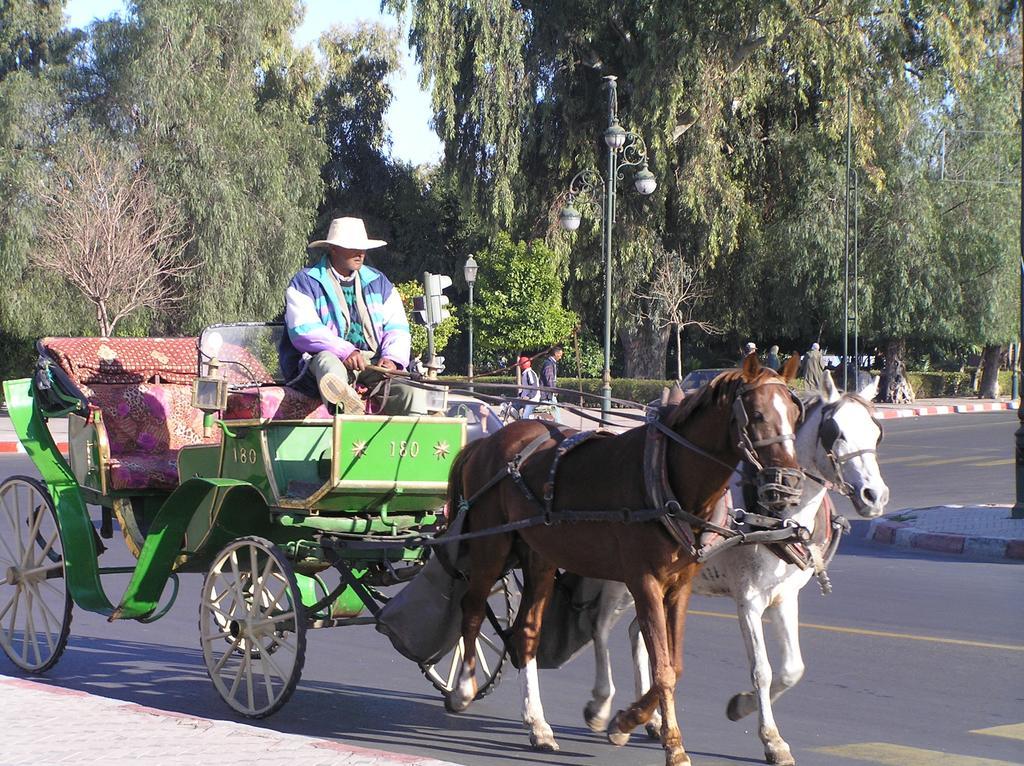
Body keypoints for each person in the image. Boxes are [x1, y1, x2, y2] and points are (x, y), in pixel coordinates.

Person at [278, 216, 425, 415]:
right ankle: (344, 407)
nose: (360, 253)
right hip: (319, 364)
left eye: (362, 248)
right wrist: (345, 351)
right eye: (352, 247)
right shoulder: (305, 282)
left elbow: (397, 328)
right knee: (328, 363)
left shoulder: (380, 282)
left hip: (372, 363)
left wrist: (392, 359)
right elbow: (303, 330)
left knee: (411, 393)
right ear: (334, 249)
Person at [539, 344, 563, 423]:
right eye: (560, 354)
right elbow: (549, 379)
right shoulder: (549, 364)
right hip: (547, 394)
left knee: (552, 413)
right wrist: (554, 390)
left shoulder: (550, 363)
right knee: (556, 413)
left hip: (548, 393)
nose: (560, 357)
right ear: (556, 354)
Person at [517, 355, 542, 419]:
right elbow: (526, 388)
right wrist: (520, 395)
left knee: (525, 417)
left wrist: (528, 396)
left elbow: (534, 388)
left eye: (520, 364)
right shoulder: (526, 373)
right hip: (527, 399)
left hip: (532, 400)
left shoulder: (529, 373)